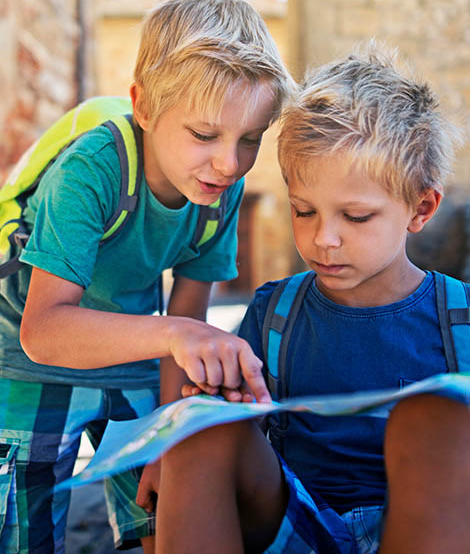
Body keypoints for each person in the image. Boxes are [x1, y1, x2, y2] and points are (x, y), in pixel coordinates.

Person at [0, 0, 294, 553]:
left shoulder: (218, 190)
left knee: (157, 516)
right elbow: (45, 329)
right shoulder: (92, 170)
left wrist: (167, 439)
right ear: (144, 106)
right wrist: (178, 334)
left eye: (250, 138)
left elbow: (183, 321)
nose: (230, 164)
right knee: (26, 532)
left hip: (131, 355)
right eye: (205, 135)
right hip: (26, 361)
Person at [148, 43, 470, 554]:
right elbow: (235, 442)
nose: (325, 239)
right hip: (295, 521)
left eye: (356, 217)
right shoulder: (275, 313)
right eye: (304, 211)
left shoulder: (463, 319)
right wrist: (198, 426)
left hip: (428, 529)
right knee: (202, 426)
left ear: (421, 207)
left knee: (434, 416)